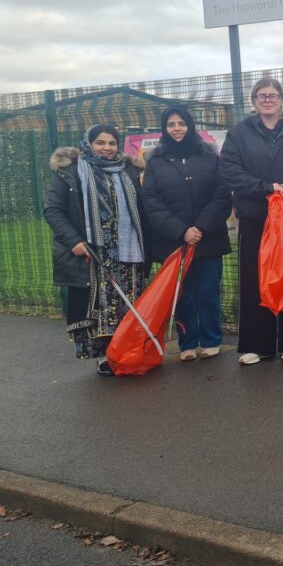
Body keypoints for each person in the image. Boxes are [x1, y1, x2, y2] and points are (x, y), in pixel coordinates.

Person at [219, 77, 283, 365]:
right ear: (254, 101)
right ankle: (257, 345)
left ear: (281, 100)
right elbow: (230, 170)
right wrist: (265, 187)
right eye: (261, 96)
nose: (267, 100)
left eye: (273, 95)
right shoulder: (239, 134)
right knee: (255, 279)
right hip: (255, 218)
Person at [44, 124, 148, 376]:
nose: (107, 148)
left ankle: (129, 351)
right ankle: (104, 356)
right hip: (93, 253)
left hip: (129, 251)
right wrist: (74, 241)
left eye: (112, 143)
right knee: (101, 307)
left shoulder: (130, 170)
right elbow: (53, 210)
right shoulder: (71, 172)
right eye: (100, 142)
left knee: (128, 304)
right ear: (88, 144)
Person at [142, 106, 232, 361]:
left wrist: (200, 227)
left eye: (181, 123)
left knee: (209, 292)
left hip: (208, 239)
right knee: (183, 294)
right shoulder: (155, 162)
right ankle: (187, 344)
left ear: (190, 126)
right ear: (164, 128)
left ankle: (211, 340)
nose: (177, 128)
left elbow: (222, 195)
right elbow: (151, 201)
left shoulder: (211, 157)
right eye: (171, 124)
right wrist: (181, 231)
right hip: (173, 242)